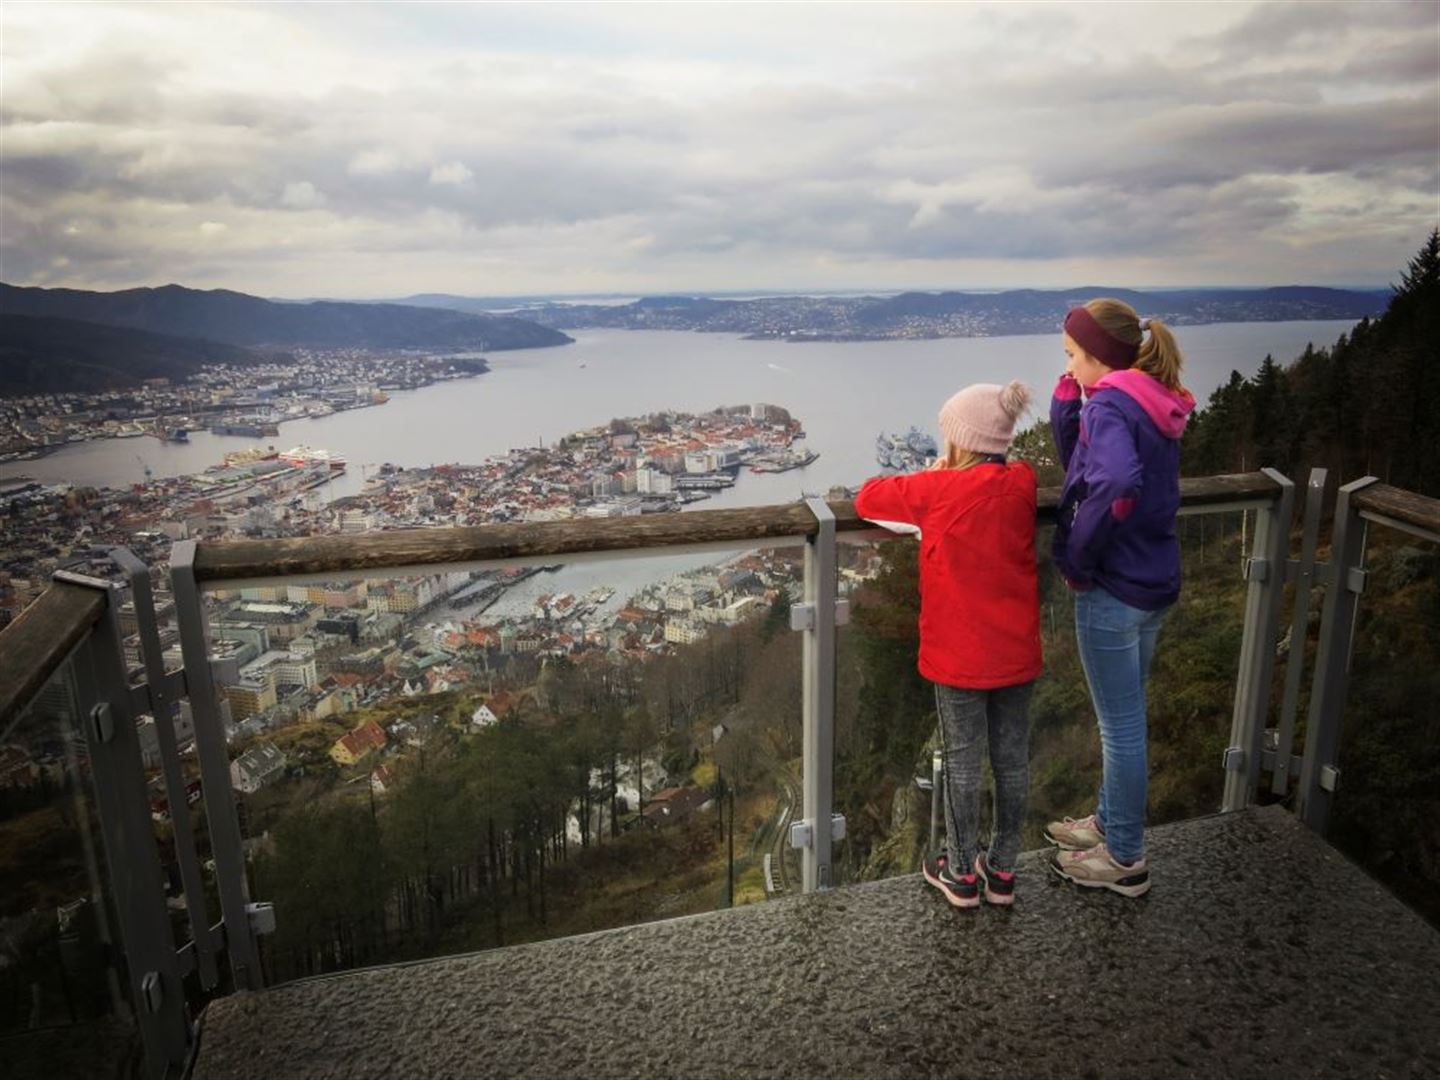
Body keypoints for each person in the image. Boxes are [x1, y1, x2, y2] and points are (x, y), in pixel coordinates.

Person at [855, 382, 1041, 908]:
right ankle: (1002, 869)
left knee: (961, 760)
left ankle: (959, 871)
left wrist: (935, 474)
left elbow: (868, 497)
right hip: (1016, 648)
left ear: (960, 442)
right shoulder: (1023, 483)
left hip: (959, 653)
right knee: (1011, 759)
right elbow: (1004, 477)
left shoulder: (939, 491)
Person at [1045, 298, 1195, 898]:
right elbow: (1085, 464)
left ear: (1099, 357)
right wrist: (1066, 404)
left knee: (1121, 728)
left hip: (1113, 584)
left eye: (1072, 357)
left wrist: (1078, 558)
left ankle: (1125, 857)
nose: (1069, 367)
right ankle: (1109, 824)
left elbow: (1111, 481)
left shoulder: (1108, 403)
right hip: (1155, 578)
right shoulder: (1149, 401)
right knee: (1127, 716)